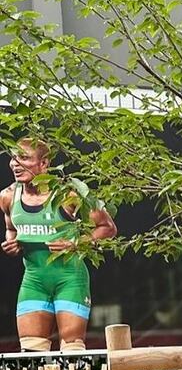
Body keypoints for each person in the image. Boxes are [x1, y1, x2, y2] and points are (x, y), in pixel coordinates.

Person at [1, 139, 117, 351]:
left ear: (44, 163)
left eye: (24, 158)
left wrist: (75, 243)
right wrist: (12, 243)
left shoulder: (69, 194)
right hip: (33, 281)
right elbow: (11, 229)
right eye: (13, 158)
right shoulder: (8, 196)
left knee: (72, 355)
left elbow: (107, 227)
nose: (15, 164)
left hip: (70, 279)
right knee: (30, 357)